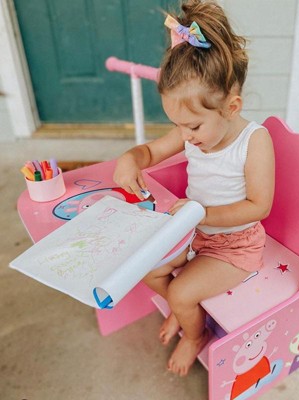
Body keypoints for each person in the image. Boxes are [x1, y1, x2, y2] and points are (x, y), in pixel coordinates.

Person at [113, 0, 275, 377]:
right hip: (194, 233)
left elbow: (259, 205)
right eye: (178, 125)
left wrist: (199, 214)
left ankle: (193, 334)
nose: (185, 137)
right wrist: (131, 158)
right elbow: (151, 150)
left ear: (231, 107)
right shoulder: (194, 128)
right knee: (148, 268)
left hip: (235, 247)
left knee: (182, 291)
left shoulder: (254, 141)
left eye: (193, 127)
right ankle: (182, 311)